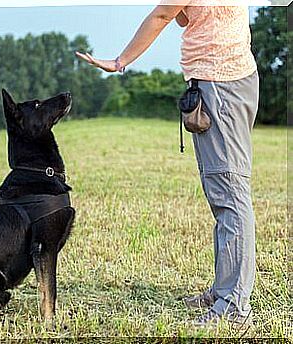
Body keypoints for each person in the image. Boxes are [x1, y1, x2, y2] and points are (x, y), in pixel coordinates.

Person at [76, 2, 258, 327]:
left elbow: (163, 16)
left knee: (230, 198)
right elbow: (185, 16)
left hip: (220, 85)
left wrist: (120, 62)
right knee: (223, 196)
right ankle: (223, 290)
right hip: (228, 80)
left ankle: (233, 308)